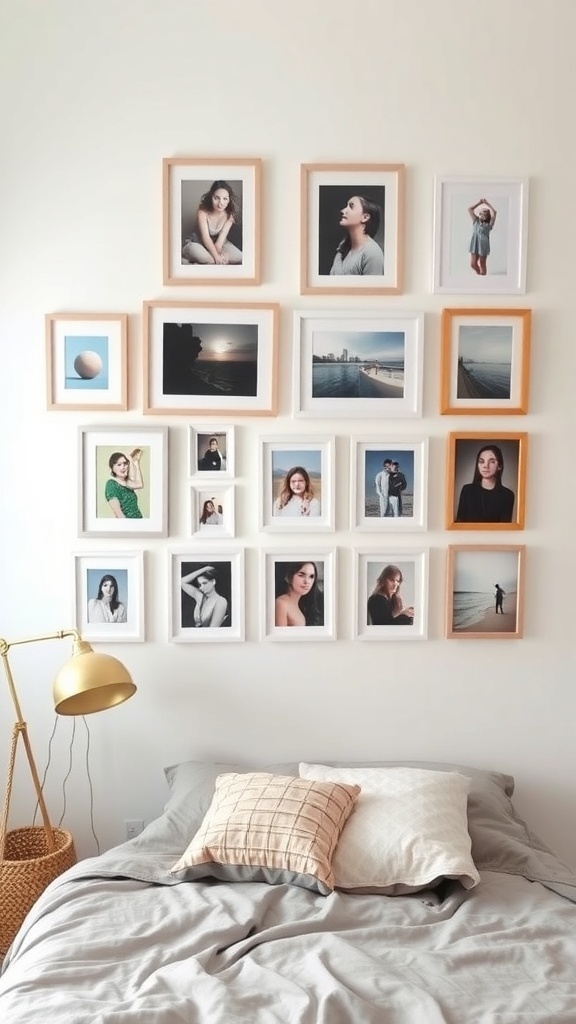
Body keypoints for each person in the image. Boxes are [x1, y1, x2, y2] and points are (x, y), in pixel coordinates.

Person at [182, 180, 242, 266]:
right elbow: (205, 237)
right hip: (199, 242)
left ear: (229, 199)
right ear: (211, 197)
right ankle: (204, 258)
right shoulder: (202, 211)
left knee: (240, 256)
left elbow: (220, 242)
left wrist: (223, 256)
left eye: (225, 199)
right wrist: (216, 257)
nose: (221, 203)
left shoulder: (230, 215)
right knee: (209, 259)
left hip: (219, 244)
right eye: (216, 198)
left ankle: (205, 260)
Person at [456, 444, 515, 523]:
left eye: (492, 462)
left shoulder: (507, 495)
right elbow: (460, 523)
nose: (485, 466)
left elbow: (504, 529)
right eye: (481, 461)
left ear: (499, 466)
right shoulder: (467, 490)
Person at [329, 195, 384, 276]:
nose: (343, 210)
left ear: (365, 217)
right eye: (346, 206)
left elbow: (372, 288)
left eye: (351, 206)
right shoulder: (342, 250)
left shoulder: (372, 252)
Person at [275, 562, 323, 627]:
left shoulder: (300, 604)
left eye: (311, 576)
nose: (307, 581)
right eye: (301, 575)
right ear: (288, 577)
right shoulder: (281, 603)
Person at [104, 449, 144, 519]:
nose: (123, 467)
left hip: (140, 523)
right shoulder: (111, 484)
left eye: (125, 464)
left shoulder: (127, 483)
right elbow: (119, 515)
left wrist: (136, 463)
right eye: (119, 465)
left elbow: (140, 484)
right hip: (128, 526)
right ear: (112, 468)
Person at [468, 197, 497, 275]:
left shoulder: (489, 225)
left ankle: (483, 278)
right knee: (473, 264)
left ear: (488, 216)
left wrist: (487, 204)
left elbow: (495, 212)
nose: (484, 214)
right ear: (479, 214)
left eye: (486, 214)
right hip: (475, 244)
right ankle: (479, 275)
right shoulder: (476, 221)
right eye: (482, 213)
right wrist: (480, 203)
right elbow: (470, 209)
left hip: (483, 245)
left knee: (482, 263)